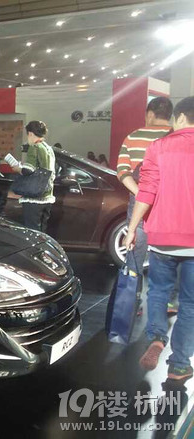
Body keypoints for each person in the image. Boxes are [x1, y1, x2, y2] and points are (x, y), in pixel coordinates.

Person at [127, 96, 194, 381]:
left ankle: (156, 337)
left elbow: (147, 191)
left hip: (162, 237)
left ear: (180, 117)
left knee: (157, 292)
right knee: (190, 303)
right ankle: (179, 364)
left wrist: (132, 228)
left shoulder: (158, 147)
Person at [116, 97, 173, 275]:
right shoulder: (175, 137)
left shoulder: (132, 137)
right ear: (171, 115)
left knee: (135, 244)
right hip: (169, 200)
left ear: (150, 114)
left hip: (139, 198)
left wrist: (141, 193)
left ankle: (132, 285)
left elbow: (122, 171)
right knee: (166, 251)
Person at [15, 121, 56, 232]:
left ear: (30, 133)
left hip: (34, 197)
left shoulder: (35, 147)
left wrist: (17, 168)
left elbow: (28, 170)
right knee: (42, 231)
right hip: (47, 195)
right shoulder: (48, 149)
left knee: (32, 231)